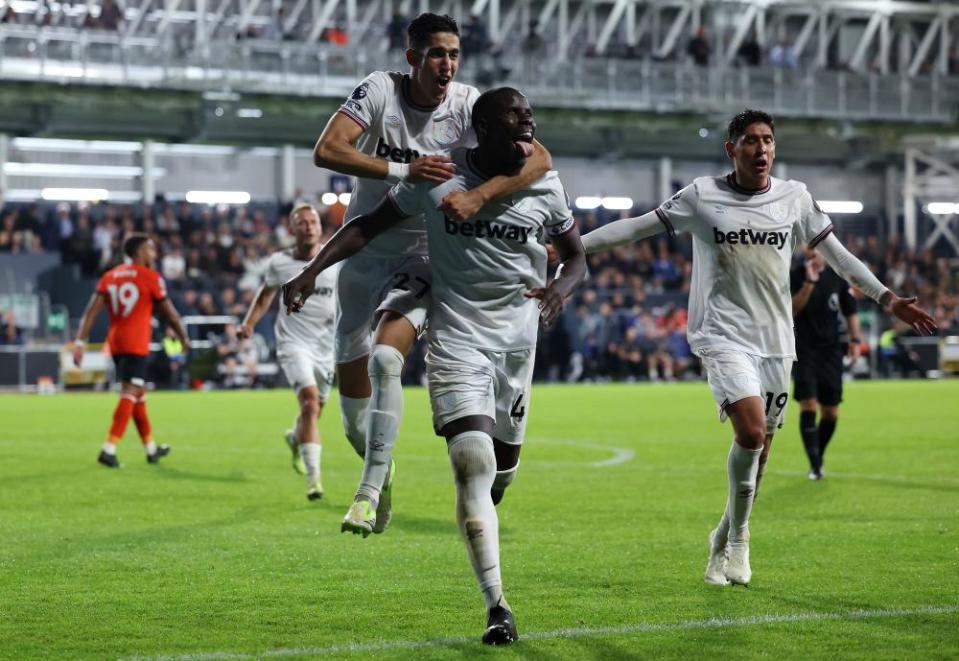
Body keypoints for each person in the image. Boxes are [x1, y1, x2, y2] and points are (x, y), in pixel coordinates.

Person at [579, 109, 937, 587]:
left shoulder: (795, 198)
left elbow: (839, 257)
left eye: (768, 140)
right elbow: (635, 228)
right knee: (750, 433)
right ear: (732, 149)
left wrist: (887, 298)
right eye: (750, 140)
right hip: (723, 335)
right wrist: (567, 247)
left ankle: (720, 538)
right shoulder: (703, 196)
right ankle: (741, 536)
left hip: (775, 341)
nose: (761, 148)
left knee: (761, 453)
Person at [284, 87, 586, 645]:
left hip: (517, 350)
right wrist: (311, 272)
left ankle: (475, 512)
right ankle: (498, 605)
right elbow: (367, 225)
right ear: (484, 130)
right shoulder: (435, 179)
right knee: (471, 462)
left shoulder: (544, 182)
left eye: (530, 118)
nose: (530, 127)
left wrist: (561, 290)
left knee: (499, 477)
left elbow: (576, 256)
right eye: (517, 119)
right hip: (458, 340)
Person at [312, 12, 552, 534]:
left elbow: (539, 158)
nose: (447, 64)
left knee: (384, 356)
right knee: (354, 416)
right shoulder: (380, 90)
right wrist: (404, 169)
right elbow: (327, 150)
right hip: (367, 244)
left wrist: (481, 195)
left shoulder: (468, 105)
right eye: (437, 53)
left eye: (454, 54)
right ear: (413, 57)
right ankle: (380, 468)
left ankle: (368, 493)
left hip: (426, 253)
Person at [238, 205, 337, 501]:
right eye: (302, 223)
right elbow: (265, 295)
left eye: (313, 222)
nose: (308, 226)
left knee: (315, 412)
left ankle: (295, 438)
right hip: (293, 344)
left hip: (326, 347)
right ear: (292, 230)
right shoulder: (279, 262)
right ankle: (314, 479)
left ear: (320, 227)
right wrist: (248, 324)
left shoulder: (335, 258)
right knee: (308, 404)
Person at [73, 233, 191, 468]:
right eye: (150, 249)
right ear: (138, 253)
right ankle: (109, 449)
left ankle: (151, 449)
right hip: (135, 342)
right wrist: (183, 337)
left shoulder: (110, 276)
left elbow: (91, 312)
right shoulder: (150, 277)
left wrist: (79, 342)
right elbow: (169, 313)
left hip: (116, 342)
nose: (154, 253)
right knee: (130, 390)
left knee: (138, 392)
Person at [791, 248, 861, 480]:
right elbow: (792, 309)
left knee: (830, 412)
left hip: (831, 351)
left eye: (816, 249)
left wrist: (855, 340)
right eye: (807, 249)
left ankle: (818, 455)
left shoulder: (836, 277)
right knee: (808, 404)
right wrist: (809, 282)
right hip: (804, 349)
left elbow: (850, 311)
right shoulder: (795, 275)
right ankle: (815, 465)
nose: (811, 253)